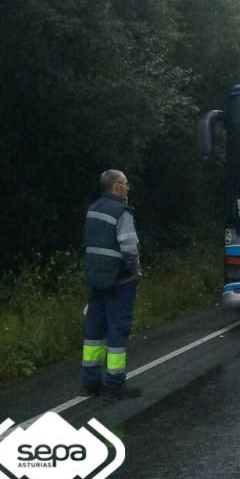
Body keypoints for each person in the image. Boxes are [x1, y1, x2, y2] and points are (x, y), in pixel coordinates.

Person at [81, 169, 143, 401]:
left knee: (94, 331)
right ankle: (114, 384)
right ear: (117, 187)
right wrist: (135, 270)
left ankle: (90, 383)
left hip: (96, 278)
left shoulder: (93, 209)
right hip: (119, 280)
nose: (128, 188)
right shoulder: (121, 212)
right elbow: (128, 246)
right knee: (117, 330)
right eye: (126, 184)